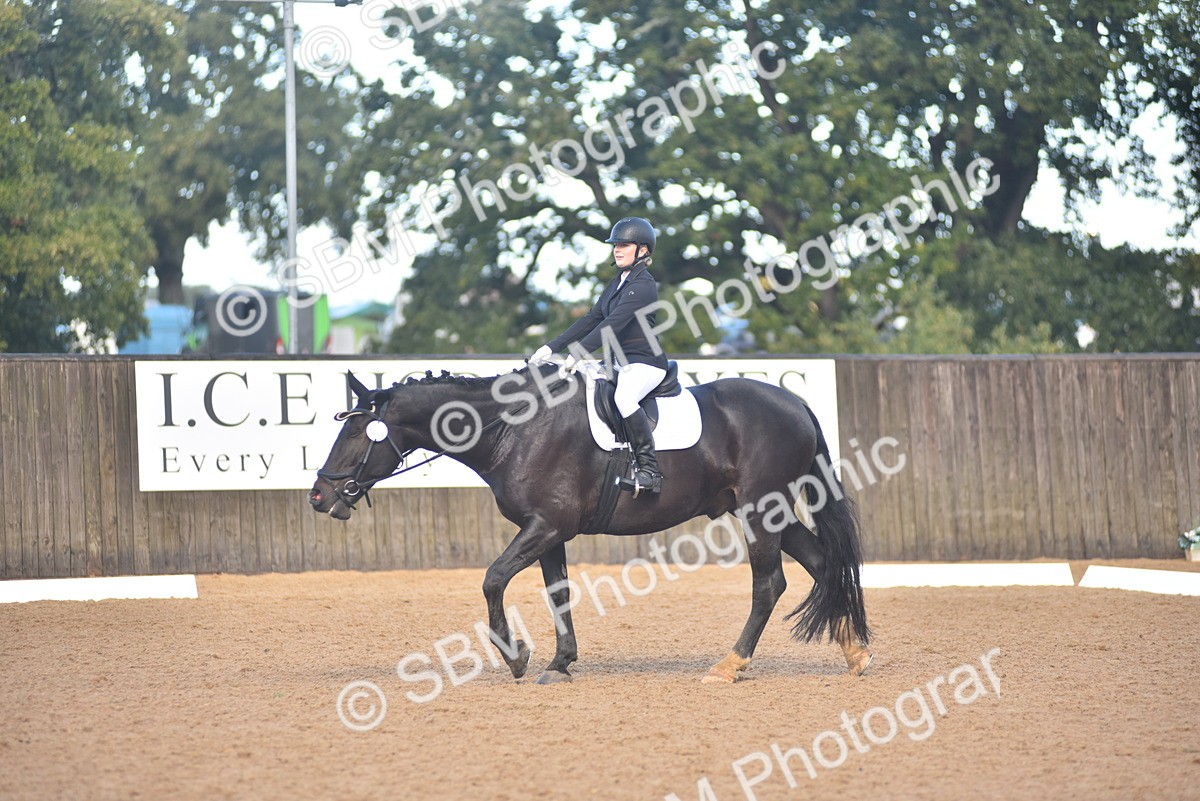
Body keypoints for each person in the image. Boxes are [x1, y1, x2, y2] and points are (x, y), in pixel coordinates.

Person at [529, 217, 669, 493]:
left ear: (642, 250)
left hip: (644, 363)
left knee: (624, 398)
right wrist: (551, 347)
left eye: (624, 245)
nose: (617, 249)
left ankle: (650, 471)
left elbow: (612, 324)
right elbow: (591, 319)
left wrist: (578, 353)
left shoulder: (643, 285)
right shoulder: (619, 282)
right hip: (616, 362)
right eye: (615, 245)